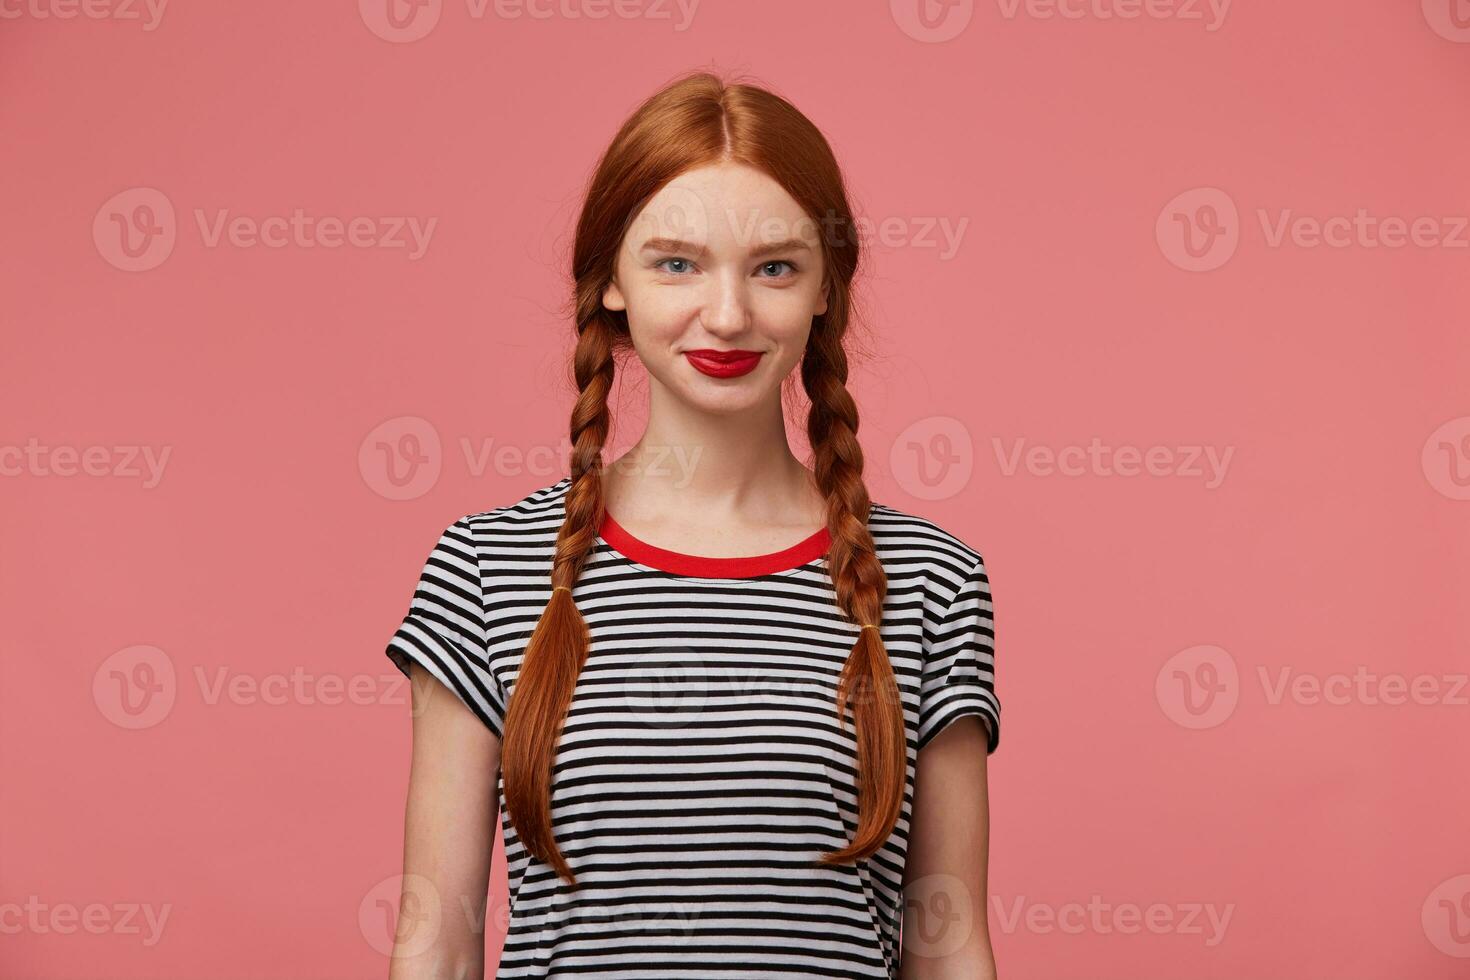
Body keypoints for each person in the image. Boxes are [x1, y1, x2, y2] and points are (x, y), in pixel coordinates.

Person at [383, 69, 1001, 980]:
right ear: (612, 285)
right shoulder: (486, 567)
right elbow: (436, 941)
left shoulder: (930, 580)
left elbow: (948, 947)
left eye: (775, 267)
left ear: (827, 287)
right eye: (677, 262)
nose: (727, 314)